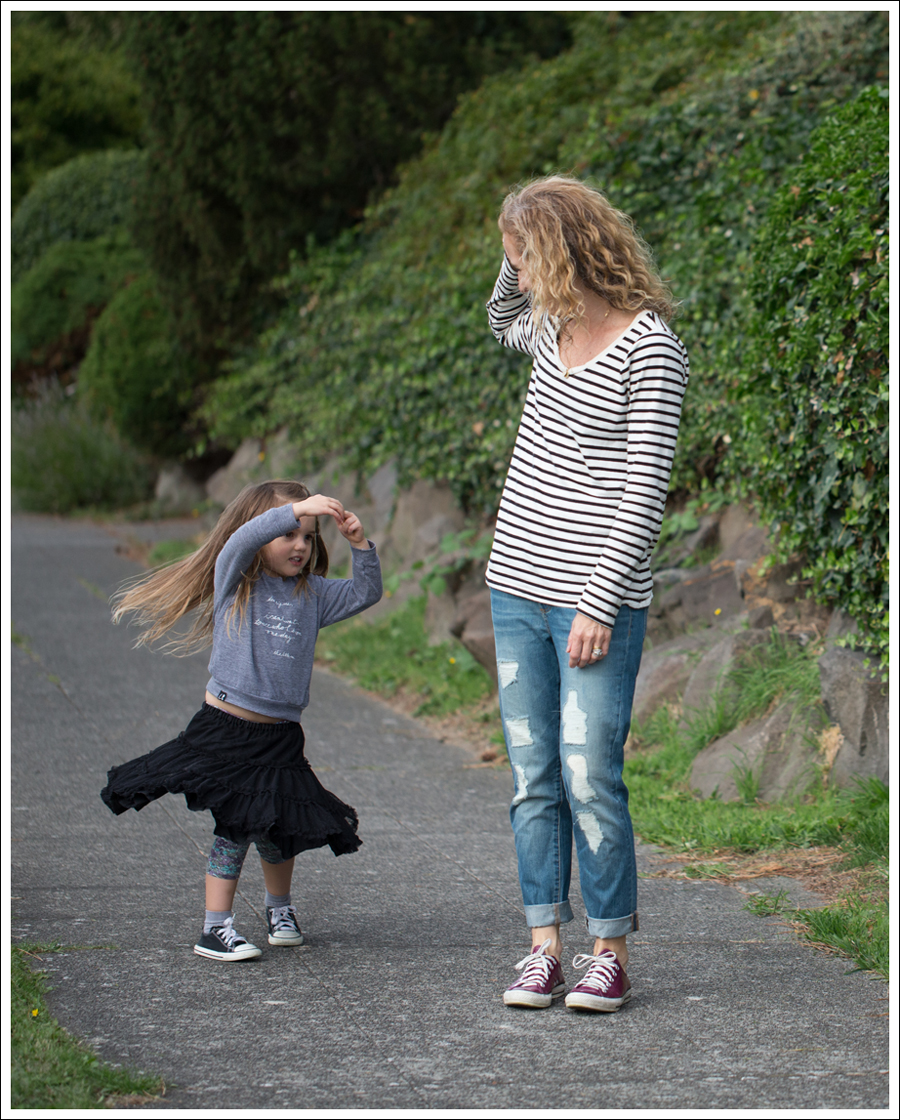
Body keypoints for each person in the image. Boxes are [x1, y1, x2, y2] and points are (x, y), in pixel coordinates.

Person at [485, 176, 688, 1011]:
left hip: (592, 603)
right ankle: (543, 947)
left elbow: (646, 489)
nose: (518, 275)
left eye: (526, 257)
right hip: (514, 590)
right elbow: (501, 318)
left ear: (563, 253)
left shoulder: (650, 347)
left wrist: (600, 602)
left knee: (589, 775)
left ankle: (608, 950)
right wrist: (510, 245)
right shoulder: (546, 327)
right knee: (533, 778)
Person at [101, 479, 382, 961]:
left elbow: (365, 592)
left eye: (309, 536)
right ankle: (215, 927)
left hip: (280, 735)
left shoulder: (312, 594)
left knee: (281, 827)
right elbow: (238, 540)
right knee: (235, 827)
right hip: (226, 728)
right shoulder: (234, 579)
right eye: (289, 533)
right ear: (263, 532)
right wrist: (297, 509)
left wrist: (361, 546)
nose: (300, 544)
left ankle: (280, 910)